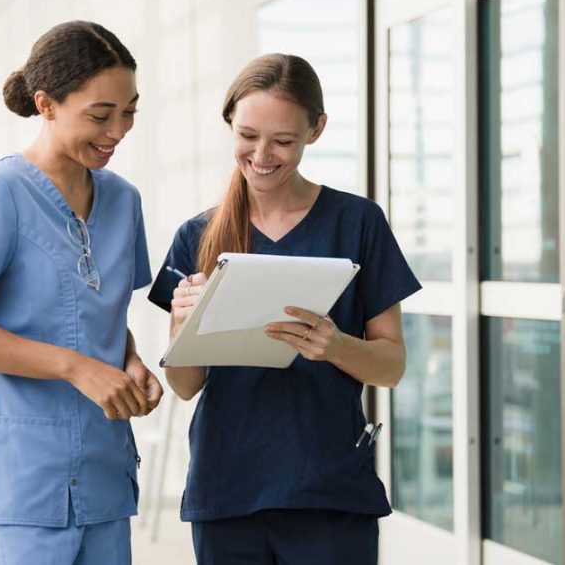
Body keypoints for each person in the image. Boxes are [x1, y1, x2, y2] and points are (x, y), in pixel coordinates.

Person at [148, 53, 421, 565]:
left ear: (316, 130)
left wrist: (336, 345)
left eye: (283, 140)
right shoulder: (197, 235)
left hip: (329, 490)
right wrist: (185, 325)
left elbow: (392, 365)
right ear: (229, 123)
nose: (262, 155)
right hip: (227, 488)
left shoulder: (358, 223)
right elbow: (185, 386)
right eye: (248, 136)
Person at [0, 20, 163, 565]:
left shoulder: (124, 201)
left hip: (104, 481)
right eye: (100, 116)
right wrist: (76, 367)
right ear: (46, 104)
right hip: (19, 488)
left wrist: (128, 361)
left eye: (128, 113)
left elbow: (99, 309)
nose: (117, 131)